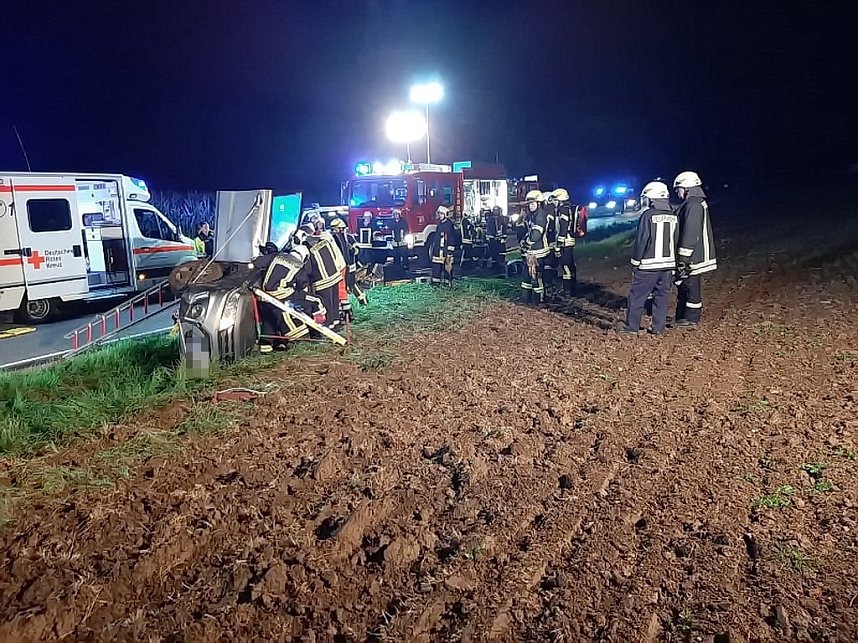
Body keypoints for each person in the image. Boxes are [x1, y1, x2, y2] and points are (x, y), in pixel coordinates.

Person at [619, 181, 679, 335]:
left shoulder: (648, 215)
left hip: (648, 266)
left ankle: (631, 327)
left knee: (637, 296)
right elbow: (676, 239)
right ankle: (658, 327)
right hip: (668, 265)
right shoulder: (673, 215)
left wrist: (635, 262)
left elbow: (641, 240)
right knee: (662, 296)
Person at [673, 171, 717, 327]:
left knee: (691, 285)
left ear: (686, 188)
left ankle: (691, 318)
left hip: (693, 254)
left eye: (678, 189)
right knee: (687, 284)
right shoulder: (695, 202)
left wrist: (683, 257)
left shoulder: (693, 204)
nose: (677, 193)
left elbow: (690, 233)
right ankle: (684, 316)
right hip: (694, 252)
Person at [296, 224, 346, 328]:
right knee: (334, 301)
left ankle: (328, 326)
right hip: (334, 274)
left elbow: (308, 268)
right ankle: (335, 322)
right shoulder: (323, 240)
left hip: (322, 280)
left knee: (326, 303)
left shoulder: (306, 247)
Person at [329, 217, 368, 308]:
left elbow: (357, 249)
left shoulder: (349, 238)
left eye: (336, 229)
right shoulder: (333, 239)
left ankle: (363, 300)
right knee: (344, 285)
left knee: (352, 284)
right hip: (340, 266)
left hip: (350, 265)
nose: (335, 231)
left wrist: (353, 249)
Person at [521, 190, 550, 305]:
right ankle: (526, 299)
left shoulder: (540, 216)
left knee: (536, 277)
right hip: (531, 251)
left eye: (533, 203)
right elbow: (528, 232)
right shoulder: (532, 215)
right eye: (529, 204)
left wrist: (527, 243)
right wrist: (523, 241)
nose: (530, 206)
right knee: (526, 277)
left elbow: (536, 235)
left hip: (538, 252)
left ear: (539, 203)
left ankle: (539, 301)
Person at [429, 205, 460, 286]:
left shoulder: (449, 225)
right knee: (436, 267)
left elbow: (451, 238)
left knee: (447, 267)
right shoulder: (439, 225)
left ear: (445, 214)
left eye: (441, 214)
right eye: (439, 214)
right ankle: (436, 283)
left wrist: (450, 251)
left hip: (446, 251)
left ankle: (447, 284)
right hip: (438, 250)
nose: (440, 216)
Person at [484, 205, 506, 273]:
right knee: (493, 253)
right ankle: (495, 266)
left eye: (497, 210)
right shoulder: (491, 219)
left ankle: (500, 265)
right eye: (495, 210)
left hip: (500, 240)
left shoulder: (502, 219)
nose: (496, 212)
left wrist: (503, 238)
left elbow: (504, 228)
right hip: (493, 240)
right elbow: (489, 229)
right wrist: (490, 237)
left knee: (501, 253)